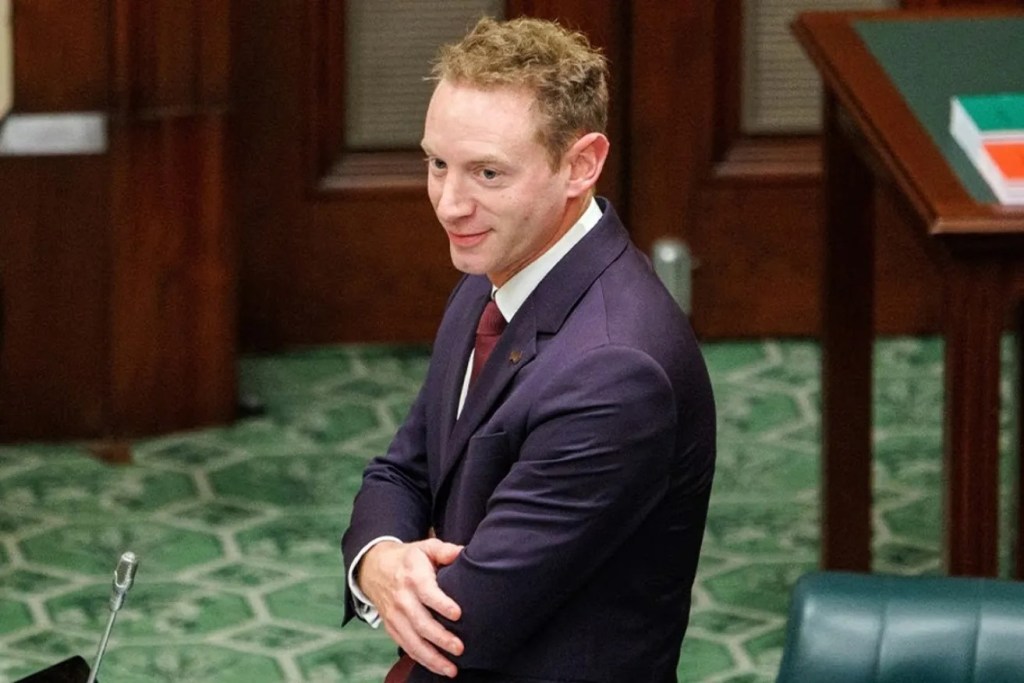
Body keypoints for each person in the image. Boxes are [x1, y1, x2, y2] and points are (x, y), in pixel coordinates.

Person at [341, 15, 716, 683]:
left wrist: (393, 583)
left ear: (581, 165)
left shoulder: (615, 372)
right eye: (437, 164)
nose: (450, 204)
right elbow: (402, 470)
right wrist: (377, 558)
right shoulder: (495, 269)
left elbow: (463, 625)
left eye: (487, 172)